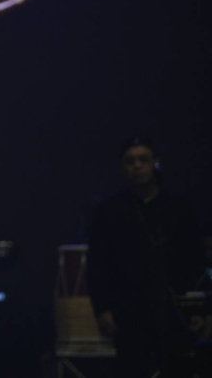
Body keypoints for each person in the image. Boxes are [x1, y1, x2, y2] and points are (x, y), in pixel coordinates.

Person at [86, 138, 204, 378]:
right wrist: (102, 309)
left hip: (173, 309)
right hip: (128, 311)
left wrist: (200, 309)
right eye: (130, 161)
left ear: (155, 164)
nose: (137, 166)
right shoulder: (109, 212)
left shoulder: (178, 209)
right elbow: (97, 264)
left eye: (143, 160)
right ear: (122, 168)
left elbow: (195, 261)